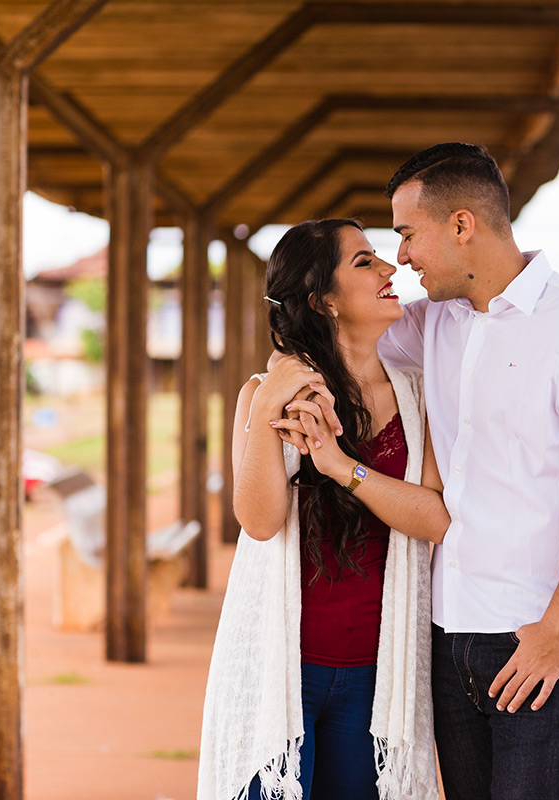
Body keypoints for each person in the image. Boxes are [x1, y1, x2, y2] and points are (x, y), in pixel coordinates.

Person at [375, 142, 559, 799]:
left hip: (550, 638)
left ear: (462, 225)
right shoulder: (430, 322)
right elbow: (337, 330)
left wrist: (557, 630)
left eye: (407, 235)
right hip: (452, 638)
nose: (402, 258)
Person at [197, 218, 446, 800]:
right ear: (321, 300)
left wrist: (339, 464)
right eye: (364, 262)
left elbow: (434, 519)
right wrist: (266, 406)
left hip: (377, 675)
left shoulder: (419, 395)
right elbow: (258, 522)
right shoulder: (265, 395)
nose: (390, 268)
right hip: (279, 668)